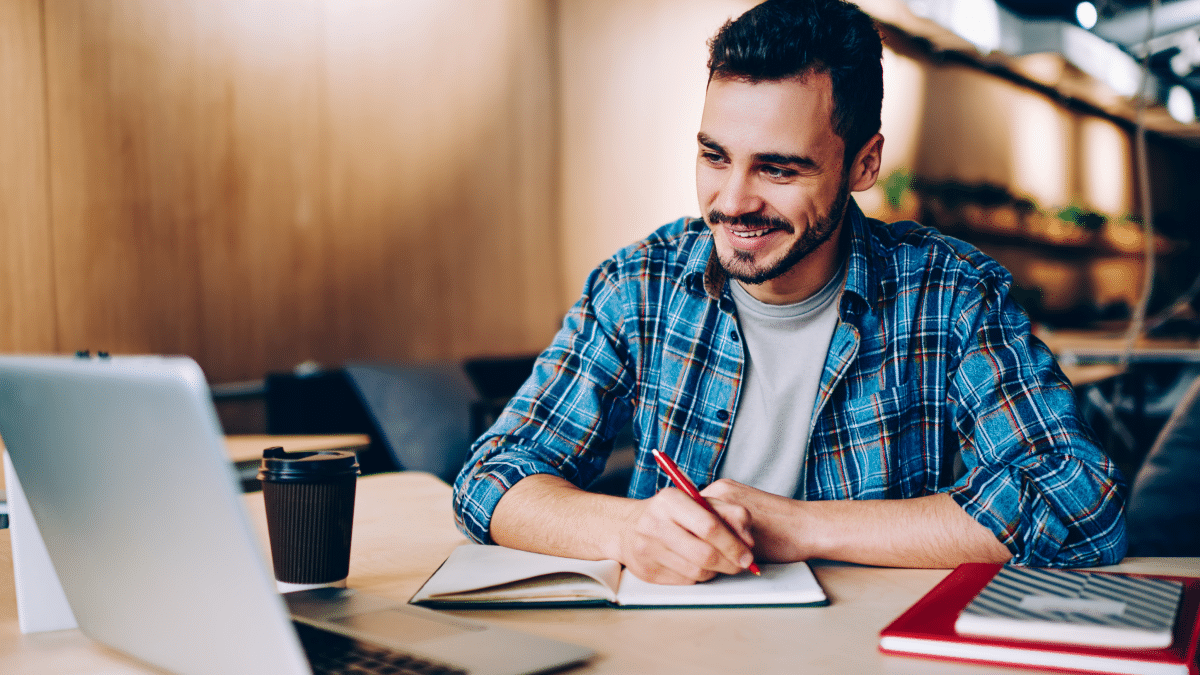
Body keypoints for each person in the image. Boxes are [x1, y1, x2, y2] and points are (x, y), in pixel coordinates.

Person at [453, 0, 1126, 584]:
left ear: (864, 163)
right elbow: (494, 475)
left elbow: (1076, 504)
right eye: (714, 156)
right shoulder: (639, 287)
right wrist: (633, 530)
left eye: (778, 168)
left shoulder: (951, 295)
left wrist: (799, 526)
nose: (733, 201)